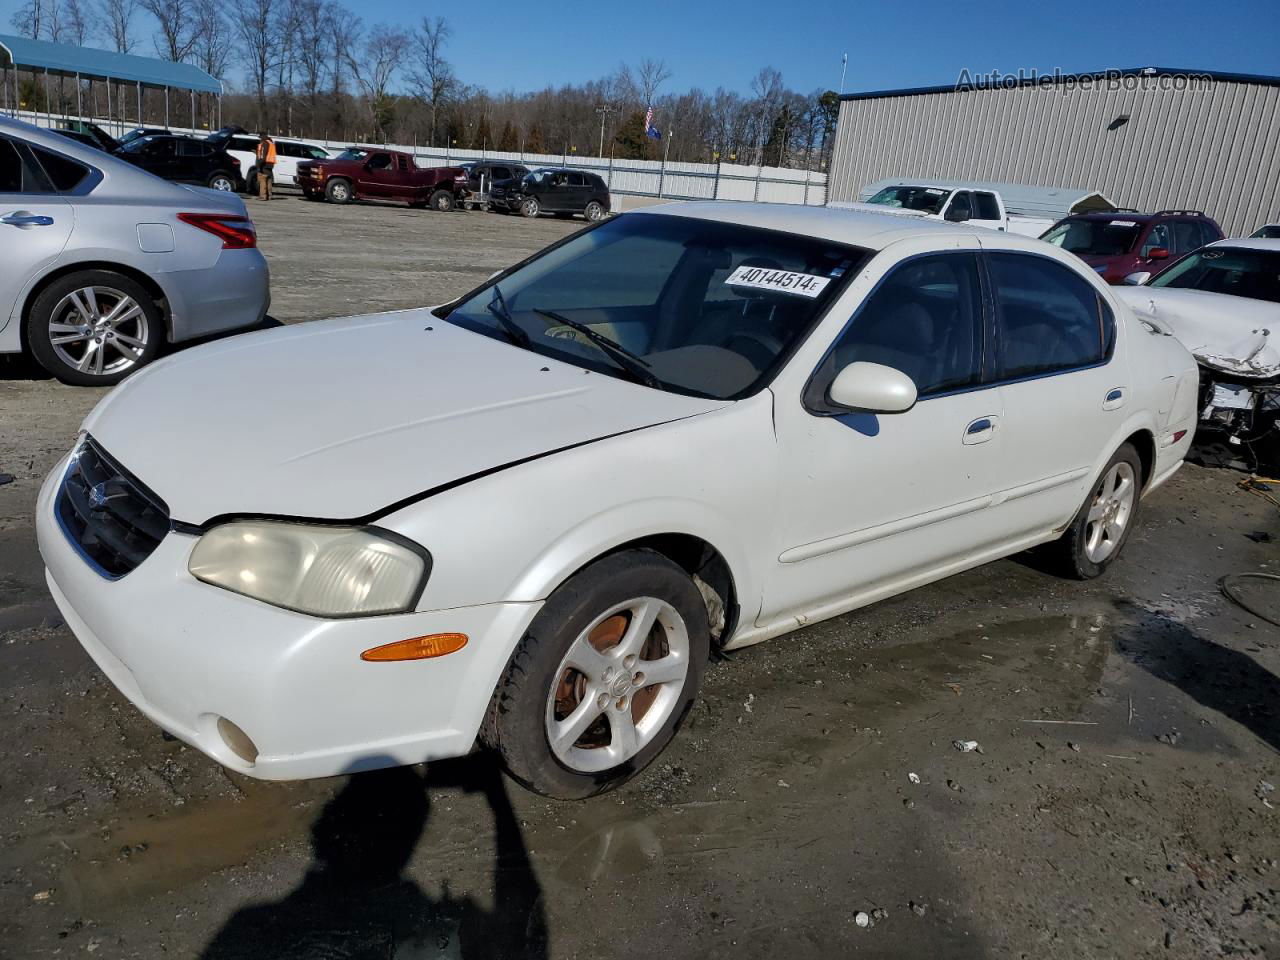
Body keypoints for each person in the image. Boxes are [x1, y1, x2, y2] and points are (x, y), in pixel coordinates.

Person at [255, 133, 276, 201]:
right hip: (270, 164)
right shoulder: (271, 143)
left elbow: (263, 156)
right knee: (269, 180)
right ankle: (270, 195)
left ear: (262, 137)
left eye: (260, 137)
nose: (260, 139)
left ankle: (263, 196)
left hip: (264, 164)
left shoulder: (265, 143)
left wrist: (259, 165)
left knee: (262, 180)